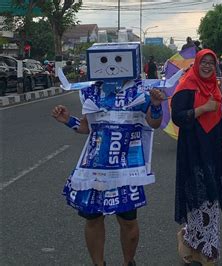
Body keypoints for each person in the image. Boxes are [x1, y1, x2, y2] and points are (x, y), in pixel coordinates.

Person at [51, 43, 166, 266]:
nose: (111, 66)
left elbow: (154, 123)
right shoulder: (92, 92)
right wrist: (68, 121)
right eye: (103, 61)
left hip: (127, 166)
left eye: (118, 60)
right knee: (93, 219)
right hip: (95, 166)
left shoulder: (140, 91)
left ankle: (128, 262)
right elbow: (87, 127)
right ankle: (98, 264)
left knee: (128, 222)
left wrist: (156, 105)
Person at [171, 49, 222, 266]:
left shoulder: (215, 87)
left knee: (211, 197)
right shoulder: (186, 86)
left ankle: (192, 241)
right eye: (203, 62)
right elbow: (177, 117)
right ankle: (205, 250)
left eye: (211, 63)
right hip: (192, 148)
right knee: (197, 196)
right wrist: (203, 108)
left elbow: (219, 117)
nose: (207, 66)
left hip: (212, 148)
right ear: (196, 63)